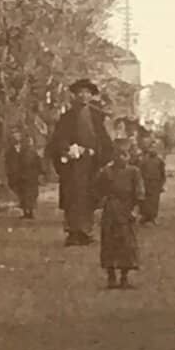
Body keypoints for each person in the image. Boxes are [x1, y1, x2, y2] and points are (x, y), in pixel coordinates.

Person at [45, 79, 110, 246]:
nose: (83, 96)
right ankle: (73, 232)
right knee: (73, 198)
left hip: (91, 164)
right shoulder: (67, 117)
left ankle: (86, 231)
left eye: (87, 92)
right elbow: (58, 139)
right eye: (80, 92)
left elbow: (104, 141)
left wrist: (95, 153)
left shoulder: (97, 117)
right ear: (74, 95)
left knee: (89, 198)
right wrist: (67, 149)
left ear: (91, 95)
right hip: (72, 166)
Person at [94, 137, 145, 289]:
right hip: (110, 211)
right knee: (110, 243)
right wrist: (101, 203)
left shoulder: (134, 172)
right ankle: (111, 276)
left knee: (127, 245)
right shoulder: (106, 172)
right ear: (113, 156)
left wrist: (135, 210)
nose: (122, 158)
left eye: (125, 154)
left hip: (126, 210)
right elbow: (96, 190)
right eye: (119, 154)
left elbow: (140, 193)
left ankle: (124, 277)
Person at [6, 132, 44, 218]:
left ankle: (28, 212)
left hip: (27, 177)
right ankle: (28, 212)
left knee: (27, 195)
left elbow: (36, 164)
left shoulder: (25, 153)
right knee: (28, 195)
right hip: (29, 177)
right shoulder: (29, 152)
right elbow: (38, 164)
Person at [137, 135, 168, 224]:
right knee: (146, 201)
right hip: (146, 183)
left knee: (154, 201)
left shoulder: (159, 161)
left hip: (156, 183)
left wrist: (162, 183)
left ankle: (153, 217)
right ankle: (145, 217)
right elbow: (140, 172)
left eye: (154, 148)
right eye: (151, 148)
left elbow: (162, 173)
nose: (153, 150)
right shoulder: (143, 160)